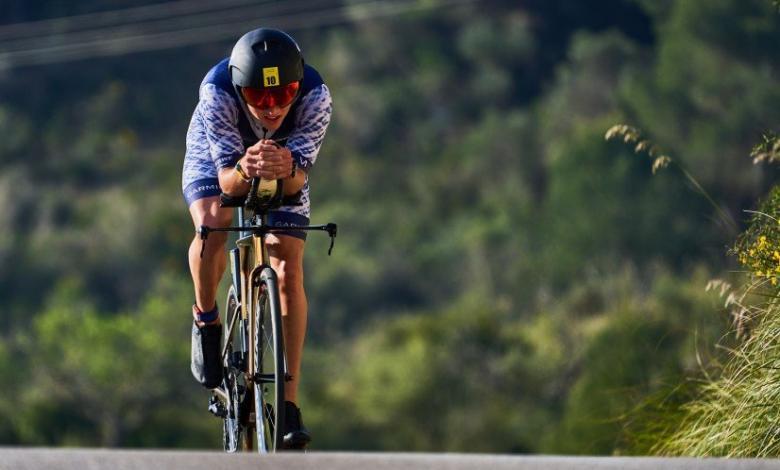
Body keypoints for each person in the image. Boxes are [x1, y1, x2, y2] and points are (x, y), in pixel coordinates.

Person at [182, 27, 332, 449]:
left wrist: (283, 167)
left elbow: (298, 180)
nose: (274, 107)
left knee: (286, 263)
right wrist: (247, 169)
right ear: (240, 87)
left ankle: (288, 404)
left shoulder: (317, 97)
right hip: (224, 157)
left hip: (284, 162)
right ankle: (206, 319)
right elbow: (228, 184)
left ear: (298, 85)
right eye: (261, 97)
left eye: (284, 93)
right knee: (214, 222)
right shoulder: (216, 93)